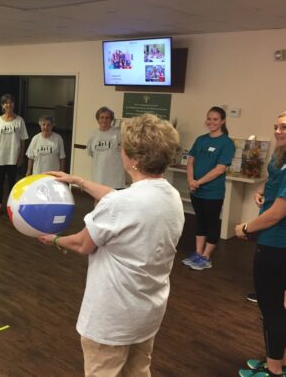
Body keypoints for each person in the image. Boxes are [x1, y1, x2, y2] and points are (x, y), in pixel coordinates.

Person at [39, 114, 184, 377]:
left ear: (135, 159)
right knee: (138, 371)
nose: (121, 151)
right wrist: (79, 181)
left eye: (124, 147)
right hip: (147, 313)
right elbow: (121, 199)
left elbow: (83, 244)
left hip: (113, 318)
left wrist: (56, 240)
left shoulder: (120, 205)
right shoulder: (171, 195)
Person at [235, 111, 286, 377]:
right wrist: (262, 192)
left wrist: (244, 228)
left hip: (277, 245)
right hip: (273, 242)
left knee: (271, 307)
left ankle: (274, 369)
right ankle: (278, 359)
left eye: (284, 127)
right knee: (277, 306)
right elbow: (275, 187)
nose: (278, 131)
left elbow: (278, 213)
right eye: (276, 126)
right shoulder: (281, 158)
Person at [182, 106, 235, 270]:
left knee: (212, 223)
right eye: (209, 118)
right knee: (200, 220)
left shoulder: (226, 143)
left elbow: (220, 169)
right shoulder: (201, 139)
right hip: (196, 190)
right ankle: (198, 253)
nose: (211, 122)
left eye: (215, 119)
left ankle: (206, 256)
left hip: (213, 192)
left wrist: (199, 182)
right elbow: (190, 161)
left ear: (222, 121)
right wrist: (191, 180)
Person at [0, 94, 28, 216]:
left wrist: (21, 156)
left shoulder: (19, 120)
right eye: (6, 103)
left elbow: (23, 140)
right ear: (2, 105)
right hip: (0, 156)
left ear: (14, 104)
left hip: (13, 157)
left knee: (12, 182)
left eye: (11, 102)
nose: (8, 105)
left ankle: (11, 206)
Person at [87, 107, 125, 195]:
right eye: (102, 117)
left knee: (114, 203)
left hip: (115, 179)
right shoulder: (93, 135)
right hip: (98, 177)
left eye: (107, 117)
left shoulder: (118, 134)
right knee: (98, 201)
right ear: (98, 119)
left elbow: (125, 153)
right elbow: (92, 154)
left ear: (111, 119)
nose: (104, 120)